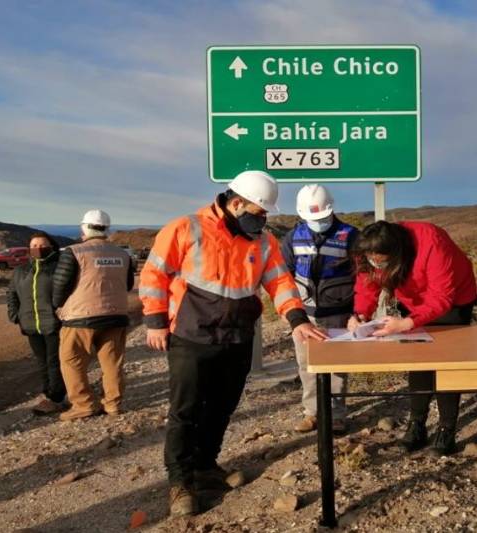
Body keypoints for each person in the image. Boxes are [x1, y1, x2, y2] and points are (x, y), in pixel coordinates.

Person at [139, 170, 327, 517]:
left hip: (238, 336)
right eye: (258, 212)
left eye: (265, 213)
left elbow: (280, 283)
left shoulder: (264, 242)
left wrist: (297, 319)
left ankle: (206, 466)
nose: (263, 219)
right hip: (191, 335)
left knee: (222, 406)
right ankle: (180, 481)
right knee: (186, 410)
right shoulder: (185, 228)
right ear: (235, 203)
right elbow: (154, 275)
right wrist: (155, 322)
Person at [349, 220, 477, 456]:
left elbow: (442, 296)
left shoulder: (432, 242)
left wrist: (407, 323)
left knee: (445, 364)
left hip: (455, 301)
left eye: (382, 261)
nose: (376, 264)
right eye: (372, 259)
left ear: (397, 252)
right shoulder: (369, 247)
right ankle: (416, 426)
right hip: (414, 301)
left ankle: (446, 430)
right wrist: (360, 314)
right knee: (418, 361)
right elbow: (367, 283)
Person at [280, 184, 358, 434]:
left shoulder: (350, 235)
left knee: (337, 366)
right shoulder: (293, 237)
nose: (318, 222)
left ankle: (336, 415)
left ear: (331, 210)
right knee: (307, 365)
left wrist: (358, 313)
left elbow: (363, 277)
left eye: (322, 217)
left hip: (340, 313)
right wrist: (292, 314)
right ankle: (312, 412)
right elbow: (283, 277)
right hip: (304, 316)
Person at [52, 209, 135, 421]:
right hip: (116, 316)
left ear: (83, 227)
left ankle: (84, 405)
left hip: (80, 318)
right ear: (107, 229)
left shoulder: (73, 252)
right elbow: (128, 284)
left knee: (72, 362)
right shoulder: (122, 255)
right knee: (112, 363)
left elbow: (60, 285)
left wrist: (57, 306)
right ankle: (113, 405)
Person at [7, 231, 67, 415]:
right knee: (42, 362)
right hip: (30, 324)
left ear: (52, 246)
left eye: (42, 245)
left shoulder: (60, 268)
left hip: (54, 323)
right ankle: (47, 392)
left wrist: (63, 315)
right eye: (34, 246)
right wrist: (15, 316)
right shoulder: (21, 271)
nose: (38, 249)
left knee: (55, 361)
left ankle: (56, 398)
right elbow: (12, 294)